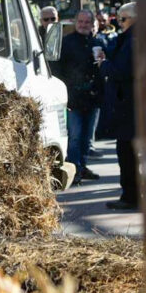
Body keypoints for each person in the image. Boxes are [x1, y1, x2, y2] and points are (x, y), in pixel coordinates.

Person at [53, 10, 104, 184]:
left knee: (86, 137)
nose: (83, 25)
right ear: (76, 23)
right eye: (80, 22)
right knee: (75, 136)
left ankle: (82, 166)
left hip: (92, 98)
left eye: (86, 22)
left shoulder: (97, 42)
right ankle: (74, 169)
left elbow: (101, 71)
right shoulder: (66, 43)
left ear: (92, 24)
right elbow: (57, 69)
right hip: (73, 97)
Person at [102, 2, 138, 210]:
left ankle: (131, 196)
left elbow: (123, 71)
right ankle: (132, 194)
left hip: (130, 107)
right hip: (132, 106)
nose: (119, 22)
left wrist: (104, 66)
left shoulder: (134, 39)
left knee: (127, 153)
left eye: (122, 19)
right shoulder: (133, 38)